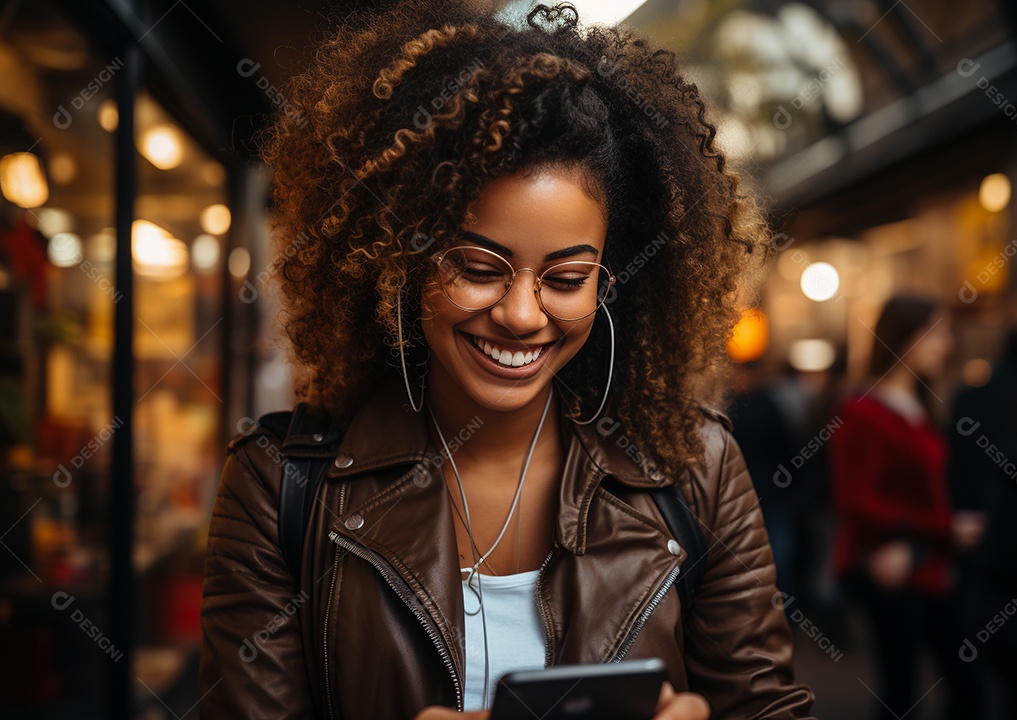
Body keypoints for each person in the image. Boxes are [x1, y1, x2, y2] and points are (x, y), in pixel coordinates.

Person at [198, 2, 816, 719]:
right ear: (402, 259)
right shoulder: (280, 490)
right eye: (478, 266)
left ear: (610, 285)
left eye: (565, 278)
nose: (522, 314)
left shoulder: (695, 470)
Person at [829, 295, 981, 720]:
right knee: (904, 691)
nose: (945, 345)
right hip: (890, 566)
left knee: (959, 681)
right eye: (936, 334)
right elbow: (854, 500)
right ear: (905, 338)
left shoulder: (920, 405)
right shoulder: (864, 411)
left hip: (927, 564)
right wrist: (945, 528)